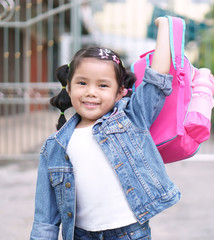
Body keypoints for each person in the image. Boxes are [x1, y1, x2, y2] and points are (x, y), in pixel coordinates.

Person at [30, 17, 180, 240]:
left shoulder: (132, 119)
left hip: (130, 233)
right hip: (81, 235)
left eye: (102, 85)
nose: (91, 92)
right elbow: (45, 217)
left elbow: (157, 80)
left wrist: (165, 27)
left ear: (120, 92)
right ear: (68, 88)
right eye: (82, 83)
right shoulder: (55, 146)